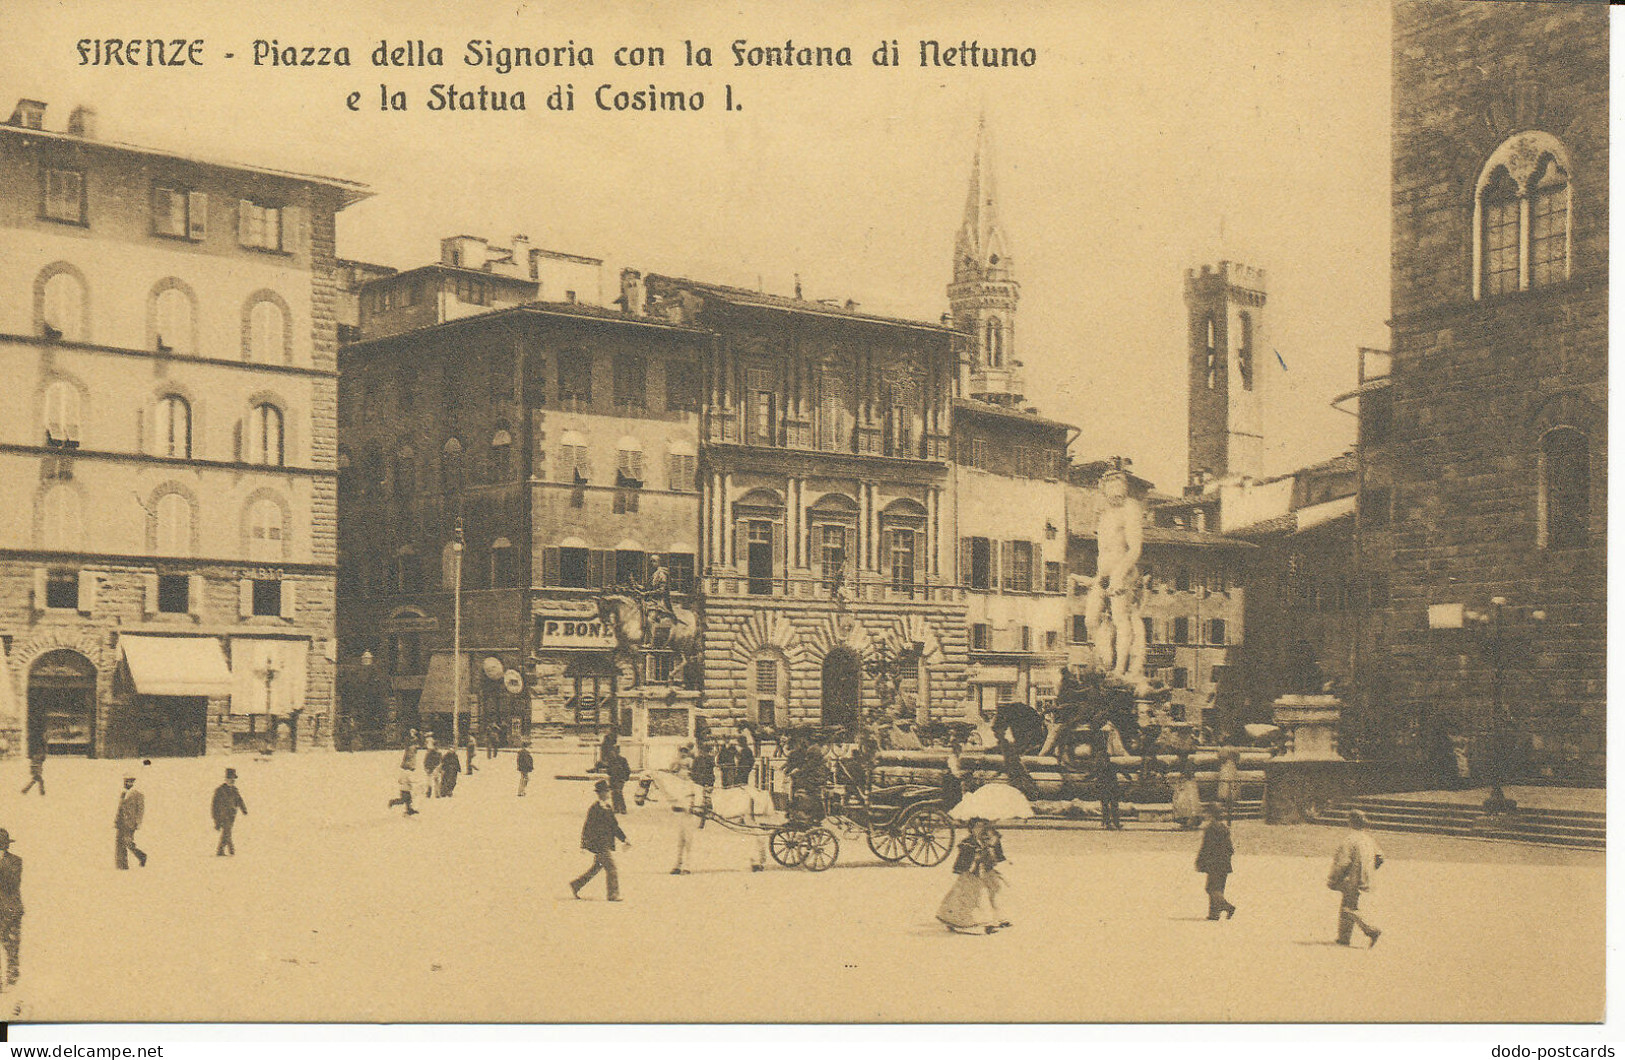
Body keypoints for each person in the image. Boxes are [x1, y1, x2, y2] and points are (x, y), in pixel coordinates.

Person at [1087, 466, 1146, 683]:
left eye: (1118, 486)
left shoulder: (1130, 509)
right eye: (1109, 486)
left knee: (1121, 620)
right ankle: (1106, 661)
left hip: (1123, 572)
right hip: (1103, 573)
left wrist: (1119, 574)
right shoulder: (1105, 514)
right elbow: (1103, 549)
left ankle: (1120, 669)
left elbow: (1135, 548)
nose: (1114, 492)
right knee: (1090, 618)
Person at [935, 819, 1009, 935]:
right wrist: (975, 858)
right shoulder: (968, 843)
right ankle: (974, 923)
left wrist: (991, 853)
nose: (980, 829)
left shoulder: (990, 839)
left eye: (983, 826)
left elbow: (997, 857)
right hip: (971, 874)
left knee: (994, 891)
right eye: (976, 827)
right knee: (970, 897)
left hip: (985, 872)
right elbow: (962, 862)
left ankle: (996, 919)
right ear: (971, 829)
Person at [1328, 810, 1384, 947]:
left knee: (1348, 908)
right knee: (1348, 905)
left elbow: (1343, 862)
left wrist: (1333, 878)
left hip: (1350, 878)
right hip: (1364, 877)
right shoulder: (1368, 839)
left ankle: (1371, 929)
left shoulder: (1349, 840)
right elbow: (1380, 857)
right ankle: (1343, 938)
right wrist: (1369, 870)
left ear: (1350, 822)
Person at [570, 780, 629, 901]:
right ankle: (613, 894)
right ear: (600, 793)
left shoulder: (607, 807)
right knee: (612, 868)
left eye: (608, 791)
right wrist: (584, 845)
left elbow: (614, 826)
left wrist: (624, 839)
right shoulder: (594, 809)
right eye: (606, 791)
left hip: (606, 843)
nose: (608, 793)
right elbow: (587, 827)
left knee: (596, 868)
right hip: (599, 845)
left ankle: (576, 885)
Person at [1195, 804, 1236, 920]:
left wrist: (1200, 860)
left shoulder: (1210, 828)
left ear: (1211, 814)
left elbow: (1206, 847)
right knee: (1219, 888)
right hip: (1225, 863)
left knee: (1211, 888)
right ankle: (1214, 914)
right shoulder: (1224, 828)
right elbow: (1230, 848)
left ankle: (1227, 906)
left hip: (1214, 862)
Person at [211, 768, 249, 856]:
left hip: (232, 815)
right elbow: (214, 805)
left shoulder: (234, 790)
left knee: (227, 831)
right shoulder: (220, 790)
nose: (232, 781)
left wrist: (244, 809)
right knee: (226, 831)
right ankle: (224, 850)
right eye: (231, 779)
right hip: (222, 815)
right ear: (226, 779)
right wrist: (216, 818)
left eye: (233, 780)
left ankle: (229, 850)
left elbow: (239, 800)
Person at [0, 830, 21, 985]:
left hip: (10, 910)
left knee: (12, 945)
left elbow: (12, 883)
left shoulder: (15, 861)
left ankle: (12, 976)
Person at [114, 774, 147, 869]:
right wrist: (116, 820)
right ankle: (122, 866)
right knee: (120, 844)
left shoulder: (138, 794)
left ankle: (141, 856)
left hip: (130, 823)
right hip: (121, 822)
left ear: (132, 783)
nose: (127, 783)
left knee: (128, 842)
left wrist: (138, 822)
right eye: (126, 781)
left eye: (129, 782)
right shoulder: (123, 793)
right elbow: (120, 808)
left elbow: (141, 810)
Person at [1094, 743, 1122, 830]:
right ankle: (1109, 822)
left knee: (1110, 806)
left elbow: (1093, 774)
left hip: (1109, 788)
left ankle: (1112, 823)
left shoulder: (1104, 767)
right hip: (1108, 788)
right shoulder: (1110, 766)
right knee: (1108, 806)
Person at [1171, 760, 1202, 829]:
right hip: (1183, 798)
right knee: (1182, 804)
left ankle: (1190, 820)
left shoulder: (1191, 783)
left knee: (1189, 803)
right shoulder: (1182, 780)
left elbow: (1193, 798)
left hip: (1188, 799)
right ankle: (1184, 820)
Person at [1216, 748, 1241, 825]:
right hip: (1232, 766)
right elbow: (1238, 759)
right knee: (1232, 781)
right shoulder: (1235, 750)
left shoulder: (1222, 750)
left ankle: (1225, 796)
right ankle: (1231, 796)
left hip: (1226, 766)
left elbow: (1220, 759)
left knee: (1225, 781)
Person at [605, 745, 632, 814]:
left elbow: (627, 770)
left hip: (620, 779)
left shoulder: (622, 760)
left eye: (616, 751)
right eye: (613, 751)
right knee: (614, 793)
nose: (614, 753)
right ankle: (616, 808)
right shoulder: (611, 760)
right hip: (613, 779)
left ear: (618, 751)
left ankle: (623, 808)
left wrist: (625, 777)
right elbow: (608, 771)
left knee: (619, 792)